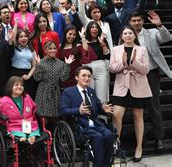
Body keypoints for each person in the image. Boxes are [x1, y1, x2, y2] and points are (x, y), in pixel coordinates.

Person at [129, 10, 172, 150]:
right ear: (130, 22)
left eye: (139, 20)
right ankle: (141, 139)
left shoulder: (152, 33)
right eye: (134, 21)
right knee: (138, 109)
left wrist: (160, 26)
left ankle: (159, 138)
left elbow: (167, 38)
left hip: (151, 74)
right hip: (135, 75)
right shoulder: (127, 35)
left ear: (143, 21)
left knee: (154, 107)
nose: (136, 23)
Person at [109, 26, 152, 162]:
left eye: (130, 33)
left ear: (134, 36)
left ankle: (139, 147)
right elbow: (111, 68)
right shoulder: (116, 50)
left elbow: (146, 70)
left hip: (138, 86)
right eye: (125, 33)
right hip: (121, 87)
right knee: (116, 114)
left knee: (138, 116)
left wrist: (135, 62)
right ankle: (116, 145)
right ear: (122, 36)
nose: (127, 35)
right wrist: (122, 64)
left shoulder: (142, 49)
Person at [60, 66, 115, 167]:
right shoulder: (68, 92)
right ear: (77, 77)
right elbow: (63, 110)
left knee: (109, 134)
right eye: (83, 75)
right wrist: (78, 110)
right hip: (80, 125)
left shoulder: (91, 91)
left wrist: (104, 109)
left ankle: (106, 164)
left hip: (95, 123)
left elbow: (98, 107)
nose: (87, 78)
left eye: (89, 76)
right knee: (98, 137)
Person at [33, 41, 74, 126]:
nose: (53, 50)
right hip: (43, 91)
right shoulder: (41, 62)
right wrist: (38, 65)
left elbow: (64, 78)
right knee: (44, 118)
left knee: (55, 118)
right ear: (45, 50)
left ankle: (55, 136)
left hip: (55, 92)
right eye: (50, 48)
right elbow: (36, 78)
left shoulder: (60, 63)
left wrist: (67, 65)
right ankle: (44, 135)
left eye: (54, 48)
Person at [0, 76, 40, 144]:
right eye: (16, 85)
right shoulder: (4, 101)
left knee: (34, 130)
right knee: (18, 132)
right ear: (10, 87)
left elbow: (34, 109)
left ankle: (31, 137)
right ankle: (23, 136)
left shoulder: (27, 97)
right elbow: (2, 117)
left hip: (29, 123)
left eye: (21, 85)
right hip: (14, 124)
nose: (20, 87)